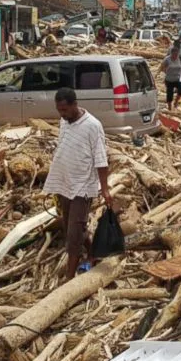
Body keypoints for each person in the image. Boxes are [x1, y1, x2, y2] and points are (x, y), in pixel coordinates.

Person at [43, 87, 113, 280]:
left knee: (73, 234)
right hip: (65, 183)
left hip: (83, 187)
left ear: (75, 105)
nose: (62, 114)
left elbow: (100, 159)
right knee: (72, 227)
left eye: (65, 110)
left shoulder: (92, 126)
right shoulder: (64, 122)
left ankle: (69, 278)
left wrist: (104, 189)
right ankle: (93, 253)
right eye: (59, 110)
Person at [160, 41, 181, 110]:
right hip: (169, 79)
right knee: (170, 94)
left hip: (178, 78)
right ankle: (169, 107)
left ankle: (176, 102)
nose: (175, 56)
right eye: (174, 55)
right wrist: (165, 71)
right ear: (171, 53)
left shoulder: (180, 58)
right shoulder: (167, 59)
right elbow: (162, 66)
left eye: (177, 54)